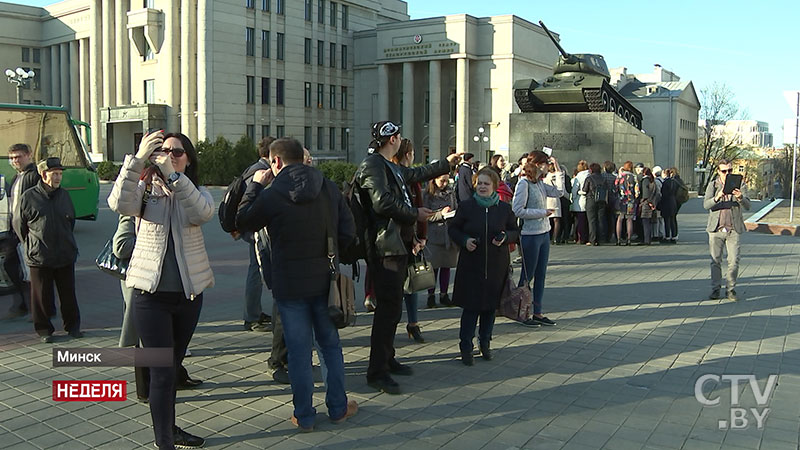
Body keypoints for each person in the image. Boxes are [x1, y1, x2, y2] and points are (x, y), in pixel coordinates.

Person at [236, 137, 358, 431]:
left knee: (299, 352)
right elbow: (348, 231)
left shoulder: (273, 192)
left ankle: (304, 415)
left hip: (289, 286)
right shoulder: (328, 187)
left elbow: (242, 220)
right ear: (303, 158)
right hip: (325, 281)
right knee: (330, 346)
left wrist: (254, 185)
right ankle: (338, 408)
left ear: (275, 161)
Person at [108, 130, 213, 449]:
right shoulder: (143, 190)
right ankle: (164, 440)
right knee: (162, 372)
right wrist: (138, 159)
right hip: (149, 297)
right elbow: (118, 203)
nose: (169, 156)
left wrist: (173, 175)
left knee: (173, 367)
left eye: (177, 152)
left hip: (188, 296)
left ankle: (169, 427)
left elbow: (202, 213)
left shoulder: (196, 191)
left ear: (189, 158)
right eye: (163, 151)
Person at [356, 120, 462, 395]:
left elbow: (415, 174)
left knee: (392, 310)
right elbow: (382, 202)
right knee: (387, 310)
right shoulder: (373, 166)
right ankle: (376, 371)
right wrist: (415, 214)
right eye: (398, 135)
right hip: (384, 248)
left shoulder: (389, 165)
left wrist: (444, 164)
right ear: (391, 139)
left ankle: (387, 358)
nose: (401, 140)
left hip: (398, 245)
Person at [449, 167, 519, 365]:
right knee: (471, 309)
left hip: (496, 266)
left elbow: (515, 231)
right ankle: (465, 347)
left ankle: (485, 342)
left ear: (494, 187)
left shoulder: (504, 209)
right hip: (472, 266)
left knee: (489, 309)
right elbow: (453, 229)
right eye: (479, 183)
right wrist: (465, 240)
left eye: (486, 184)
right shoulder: (467, 207)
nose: (482, 187)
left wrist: (505, 237)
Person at [20, 157, 82, 343]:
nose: (58, 178)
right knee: (41, 296)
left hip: (65, 253)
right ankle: (44, 330)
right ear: (43, 174)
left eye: (60, 174)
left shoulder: (64, 195)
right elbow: (21, 225)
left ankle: (73, 327)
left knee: (68, 294)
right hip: (40, 256)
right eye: (54, 174)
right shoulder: (29, 197)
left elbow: (70, 221)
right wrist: (32, 245)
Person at [512, 151, 564, 327]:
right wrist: (542, 213)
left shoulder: (541, 183)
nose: (547, 166)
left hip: (544, 233)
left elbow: (559, 192)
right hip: (530, 235)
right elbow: (517, 210)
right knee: (528, 275)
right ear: (537, 164)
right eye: (546, 163)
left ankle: (538, 312)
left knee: (541, 274)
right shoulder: (524, 184)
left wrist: (558, 172)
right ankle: (522, 311)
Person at [391, 139, 429, 343]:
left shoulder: (413, 179)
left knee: (412, 283)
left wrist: (422, 237)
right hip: (393, 239)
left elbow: (420, 208)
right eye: (413, 153)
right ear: (408, 155)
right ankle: (392, 324)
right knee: (396, 285)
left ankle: (413, 323)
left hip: (411, 239)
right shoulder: (390, 176)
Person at [239, 137, 275, 332]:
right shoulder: (261, 171)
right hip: (257, 229)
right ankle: (251, 317)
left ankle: (254, 313)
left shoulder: (253, 168)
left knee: (256, 270)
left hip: (252, 227)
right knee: (256, 271)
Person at [2, 143, 40, 320]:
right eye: (12, 158)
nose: (15, 161)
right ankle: (23, 304)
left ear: (29, 155)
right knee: (12, 266)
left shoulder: (33, 176)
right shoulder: (18, 176)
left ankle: (37, 310)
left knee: (33, 272)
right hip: (15, 232)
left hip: (28, 233)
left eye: (18, 157)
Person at [703, 160, 750, 301]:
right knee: (715, 261)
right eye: (724, 171)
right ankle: (715, 289)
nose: (727, 174)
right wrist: (717, 197)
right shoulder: (713, 185)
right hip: (715, 229)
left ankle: (730, 289)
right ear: (719, 172)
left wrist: (740, 197)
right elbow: (706, 205)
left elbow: (748, 206)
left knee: (734, 260)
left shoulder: (740, 185)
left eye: (730, 170)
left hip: (733, 229)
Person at [423, 173, 458, 308]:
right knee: (433, 268)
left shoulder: (451, 193)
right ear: (434, 180)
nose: (444, 183)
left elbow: (456, 207)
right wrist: (440, 214)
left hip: (448, 235)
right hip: (433, 235)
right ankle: (431, 296)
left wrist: (454, 214)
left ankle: (444, 294)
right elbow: (424, 215)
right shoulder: (428, 195)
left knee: (446, 266)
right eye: (441, 181)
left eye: (445, 181)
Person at [582, 162, 610, 246]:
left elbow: (584, 189)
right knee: (600, 219)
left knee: (592, 220)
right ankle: (601, 238)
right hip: (601, 201)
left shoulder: (589, 178)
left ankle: (593, 239)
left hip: (591, 200)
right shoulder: (603, 178)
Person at [615, 161, 637, 246]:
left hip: (621, 200)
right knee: (629, 219)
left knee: (619, 219)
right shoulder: (633, 177)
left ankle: (618, 239)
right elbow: (637, 191)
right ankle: (628, 240)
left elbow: (615, 188)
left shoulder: (619, 177)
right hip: (630, 200)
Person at [570, 160, 590, 244]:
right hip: (588, 200)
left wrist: (573, 198)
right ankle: (586, 237)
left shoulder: (579, 176)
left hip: (579, 200)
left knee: (579, 221)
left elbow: (575, 189)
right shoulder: (589, 175)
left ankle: (580, 238)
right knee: (586, 221)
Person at [543, 162, 563, 244]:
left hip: (548, 198)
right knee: (556, 219)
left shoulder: (547, 177)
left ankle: (549, 237)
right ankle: (556, 238)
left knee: (548, 218)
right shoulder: (558, 176)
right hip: (555, 198)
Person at [637, 167, 657, 246]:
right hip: (651, 203)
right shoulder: (652, 181)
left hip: (646, 204)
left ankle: (646, 240)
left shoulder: (645, 180)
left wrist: (647, 201)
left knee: (645, 222)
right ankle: (648, 238)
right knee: (648, 222)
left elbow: (645, 193)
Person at [659, 169, 679, 244]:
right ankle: (674, 236)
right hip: (673, 202)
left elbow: (663, 193)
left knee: (666, 220)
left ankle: (667, 236)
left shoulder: (665, 182)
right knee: (673, 219)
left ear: (664, 174)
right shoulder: (674, 182)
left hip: (666, 203)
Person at [602, 161, 618, 243]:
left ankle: (603, 235)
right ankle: (609, 235)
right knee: (611, 218)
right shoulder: (614, 177)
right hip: (612, 199)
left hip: (603, 199)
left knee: (603, 218)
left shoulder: (602, 176)